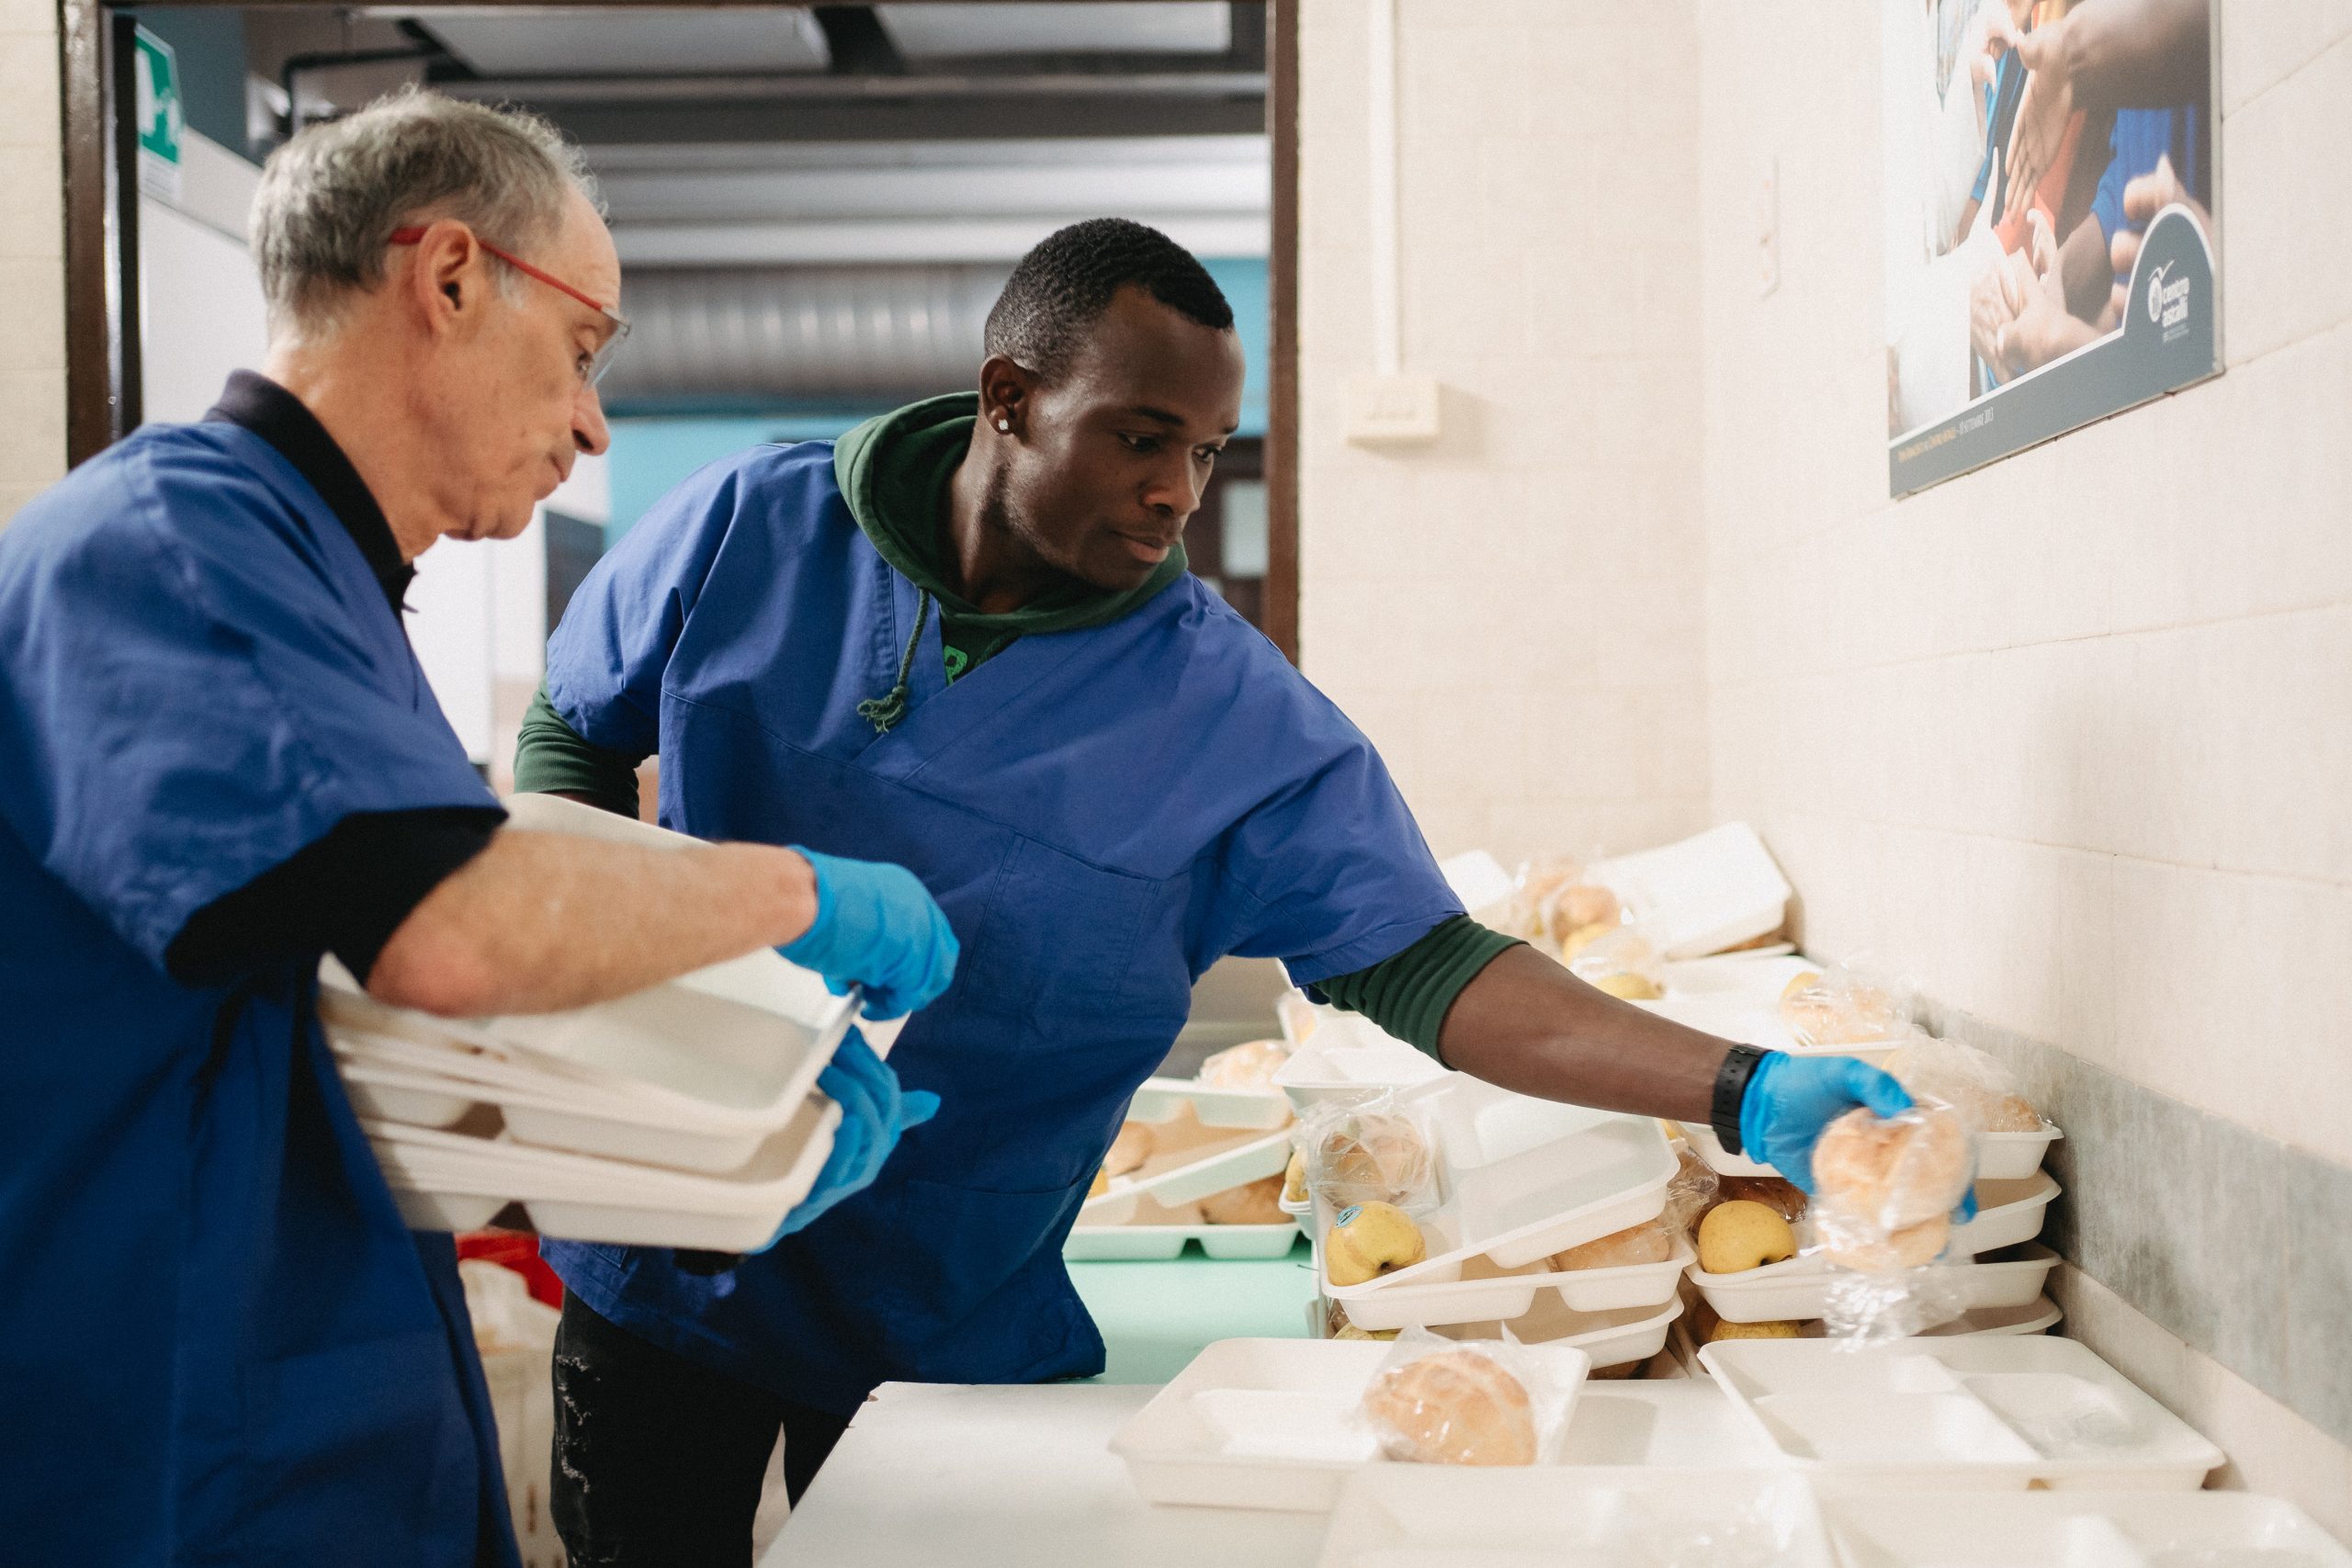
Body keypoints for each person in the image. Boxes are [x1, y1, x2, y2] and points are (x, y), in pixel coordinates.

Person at [515, 217, 1937, 1562]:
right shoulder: (753, 531)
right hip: (670, 1237)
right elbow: (573, 732)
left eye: (1205, 452)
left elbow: (1436, 974)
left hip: (943, 1288)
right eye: (1140, 439)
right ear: (1008, 397)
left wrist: (1743, 1087)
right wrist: (599, 998)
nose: (1178, 495)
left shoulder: (1231, 716)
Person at [0, 90, 953, 1568]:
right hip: (164, 1445)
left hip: (306, 1399)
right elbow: (450, 934)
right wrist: (792, 895)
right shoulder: (174, 552)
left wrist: (708, 1153)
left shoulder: (318, 585)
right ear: (446, 277)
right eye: (583, 352)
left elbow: (341, 1030)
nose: (589, 421)